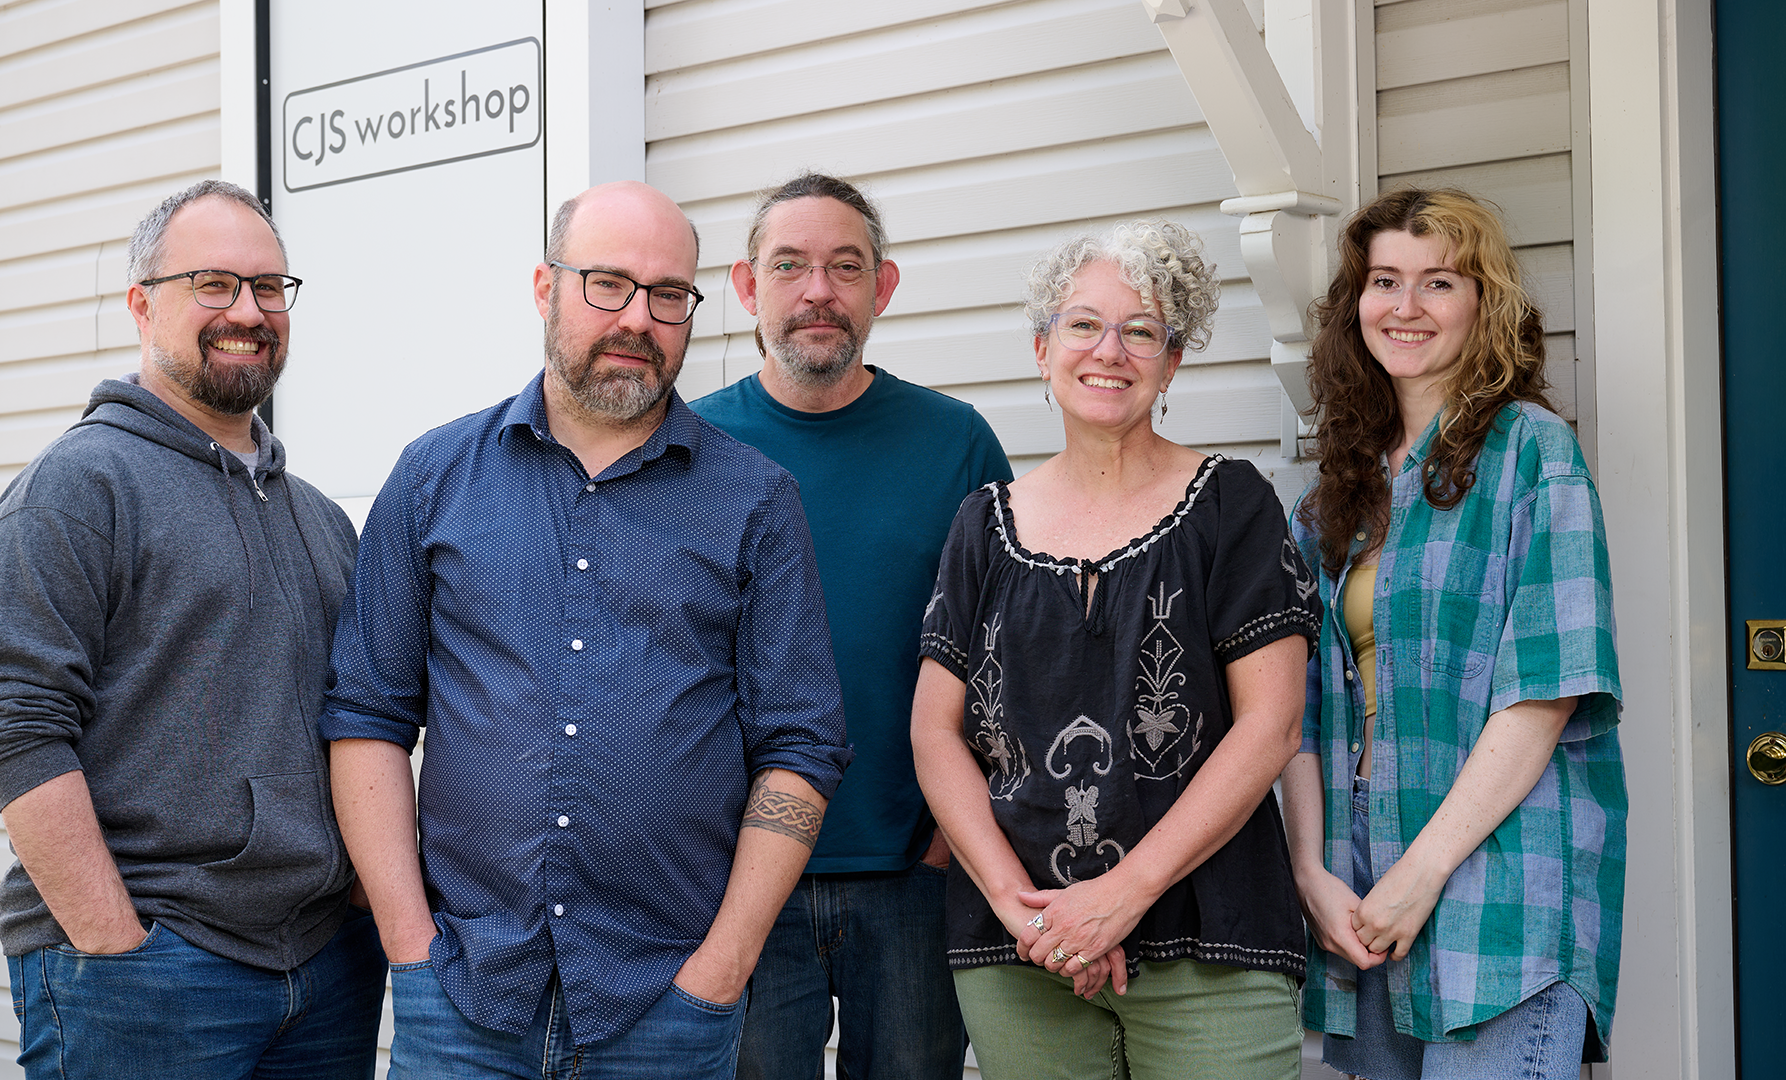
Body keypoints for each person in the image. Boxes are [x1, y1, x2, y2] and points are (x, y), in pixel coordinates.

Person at [322, 180, 851, 1079]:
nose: (637, 318)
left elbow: (800, 745)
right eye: (607, 284)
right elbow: (368, 715)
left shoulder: (755, 500)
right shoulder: (434, 477)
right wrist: (409, 946)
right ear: (546, 288)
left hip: (668, 1006)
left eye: (667, 295)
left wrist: (721, 970)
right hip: (464, 998)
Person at [0, 181, 385, 1079]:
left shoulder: (317, 519)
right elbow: (14, 721)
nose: (249, 311)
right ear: (143, 304)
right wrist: (115, 940)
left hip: (322, 970)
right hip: (149, 973)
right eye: (214, 284)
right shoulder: (77, 489)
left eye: (270, 288)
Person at [911, 220, 1319, 1079]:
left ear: (1172, 364)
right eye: (1084, 324)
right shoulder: (981, 525)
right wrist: (1024, 913)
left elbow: (1272, 727)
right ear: (1041, 347)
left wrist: (1117, 900)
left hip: (1212, 939)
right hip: (1021, 948)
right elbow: (935, 736)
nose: (1112, 350)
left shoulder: (1232, 507)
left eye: (1142, 331)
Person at [1282, 187, 1624, 1080]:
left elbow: (1544, 692)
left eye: (1438, 282)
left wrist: (1423, 870)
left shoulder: (1533, 455)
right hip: (1357, 860)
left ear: (1483, 303)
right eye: (1383, 280)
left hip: (1498, 861)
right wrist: (1314, 870)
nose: (1404, 307)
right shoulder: (1331, 497)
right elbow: (1297, 708)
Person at [692, 172, 1011, 1080]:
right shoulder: (690, 446)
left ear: (884, 287)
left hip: (915, 871)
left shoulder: (955, 442)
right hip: (738, 879)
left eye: (845, 266)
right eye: (789, 266)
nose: (818, 291)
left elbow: (1009, 655)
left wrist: (952, 847)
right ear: (748, 289)